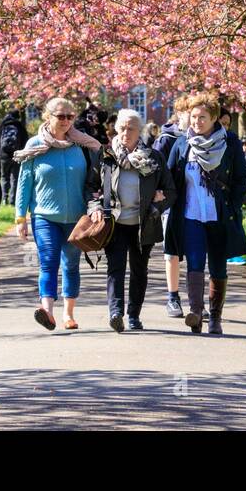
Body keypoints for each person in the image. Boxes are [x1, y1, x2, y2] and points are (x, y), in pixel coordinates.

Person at [164, 92, 246, 334]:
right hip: (191, 215)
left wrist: (233, 205)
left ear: (214, 118)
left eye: (202, 117)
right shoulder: (182, 144)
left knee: (218, 265)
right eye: (193, 116)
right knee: (194, 262)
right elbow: (169, 177)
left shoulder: (230, 143)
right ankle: (196, 313)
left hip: (219, 215)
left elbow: (241, 178)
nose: (197, 121)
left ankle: (215, 317)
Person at [14, 97, 102, 331]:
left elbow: (95, 178)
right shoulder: (34, 145)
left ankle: (68, 314)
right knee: (48, 262)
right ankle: (47, 312)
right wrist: (20, 217)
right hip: (44, 216)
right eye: (60, 116)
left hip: (76, 217)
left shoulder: (82, 146)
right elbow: (24, 183)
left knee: (71, 266)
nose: (65, 121)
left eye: (70, 116)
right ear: (47, 116)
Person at [88, 109, 176, 331]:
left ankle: (134, 315)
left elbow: (170, 190)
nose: (126, 132)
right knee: (115, 269)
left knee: (139, 271)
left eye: (131, 128)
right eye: (122, 128)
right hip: (114, 223)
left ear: (140, 131)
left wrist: (156, 206)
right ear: (115, 129)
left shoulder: (153, 158)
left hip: (143, 224)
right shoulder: (106, 156)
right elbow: (91, 187)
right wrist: (95, 207)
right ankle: (115, 313)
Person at [153, 96, 189, 317]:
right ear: (179, 113)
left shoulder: (202, 138)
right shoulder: (167, 139)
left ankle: (196, 300)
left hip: (194, 204)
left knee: (196, 253)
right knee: (171, 253)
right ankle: (173, 297)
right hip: (171, 204)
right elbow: (157, 168)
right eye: (188, 112)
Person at [0, 108, 29, 208]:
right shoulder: (19, 126)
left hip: (4, 155)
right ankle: (12, 200)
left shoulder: (2, 125)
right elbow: (25, 140)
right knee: (14, 178)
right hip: (17, 154)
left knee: (4, 177)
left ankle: (4, 199)